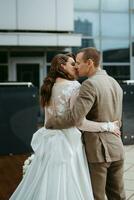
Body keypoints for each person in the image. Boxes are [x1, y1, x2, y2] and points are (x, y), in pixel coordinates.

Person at [9, 53, 120, 200]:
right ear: (62, 66)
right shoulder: (74, 87)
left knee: (47, 178)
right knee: (71, 178)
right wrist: (108, 126)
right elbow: (79, 122)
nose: (75, 67)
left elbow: (50, 120)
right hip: (69, 140)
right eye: (72, 63)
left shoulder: (48, 86)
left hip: (50, 138)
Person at [46, 48, 126, 200]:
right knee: (118, 196)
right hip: (117, 148)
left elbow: (76, 118)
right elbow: (118, 120)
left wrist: (52, 122)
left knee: (96, 196)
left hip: (98, 152)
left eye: (78, 63)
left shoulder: (89, 84)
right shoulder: (115, 83)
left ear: (90, 63)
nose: (76, 66)